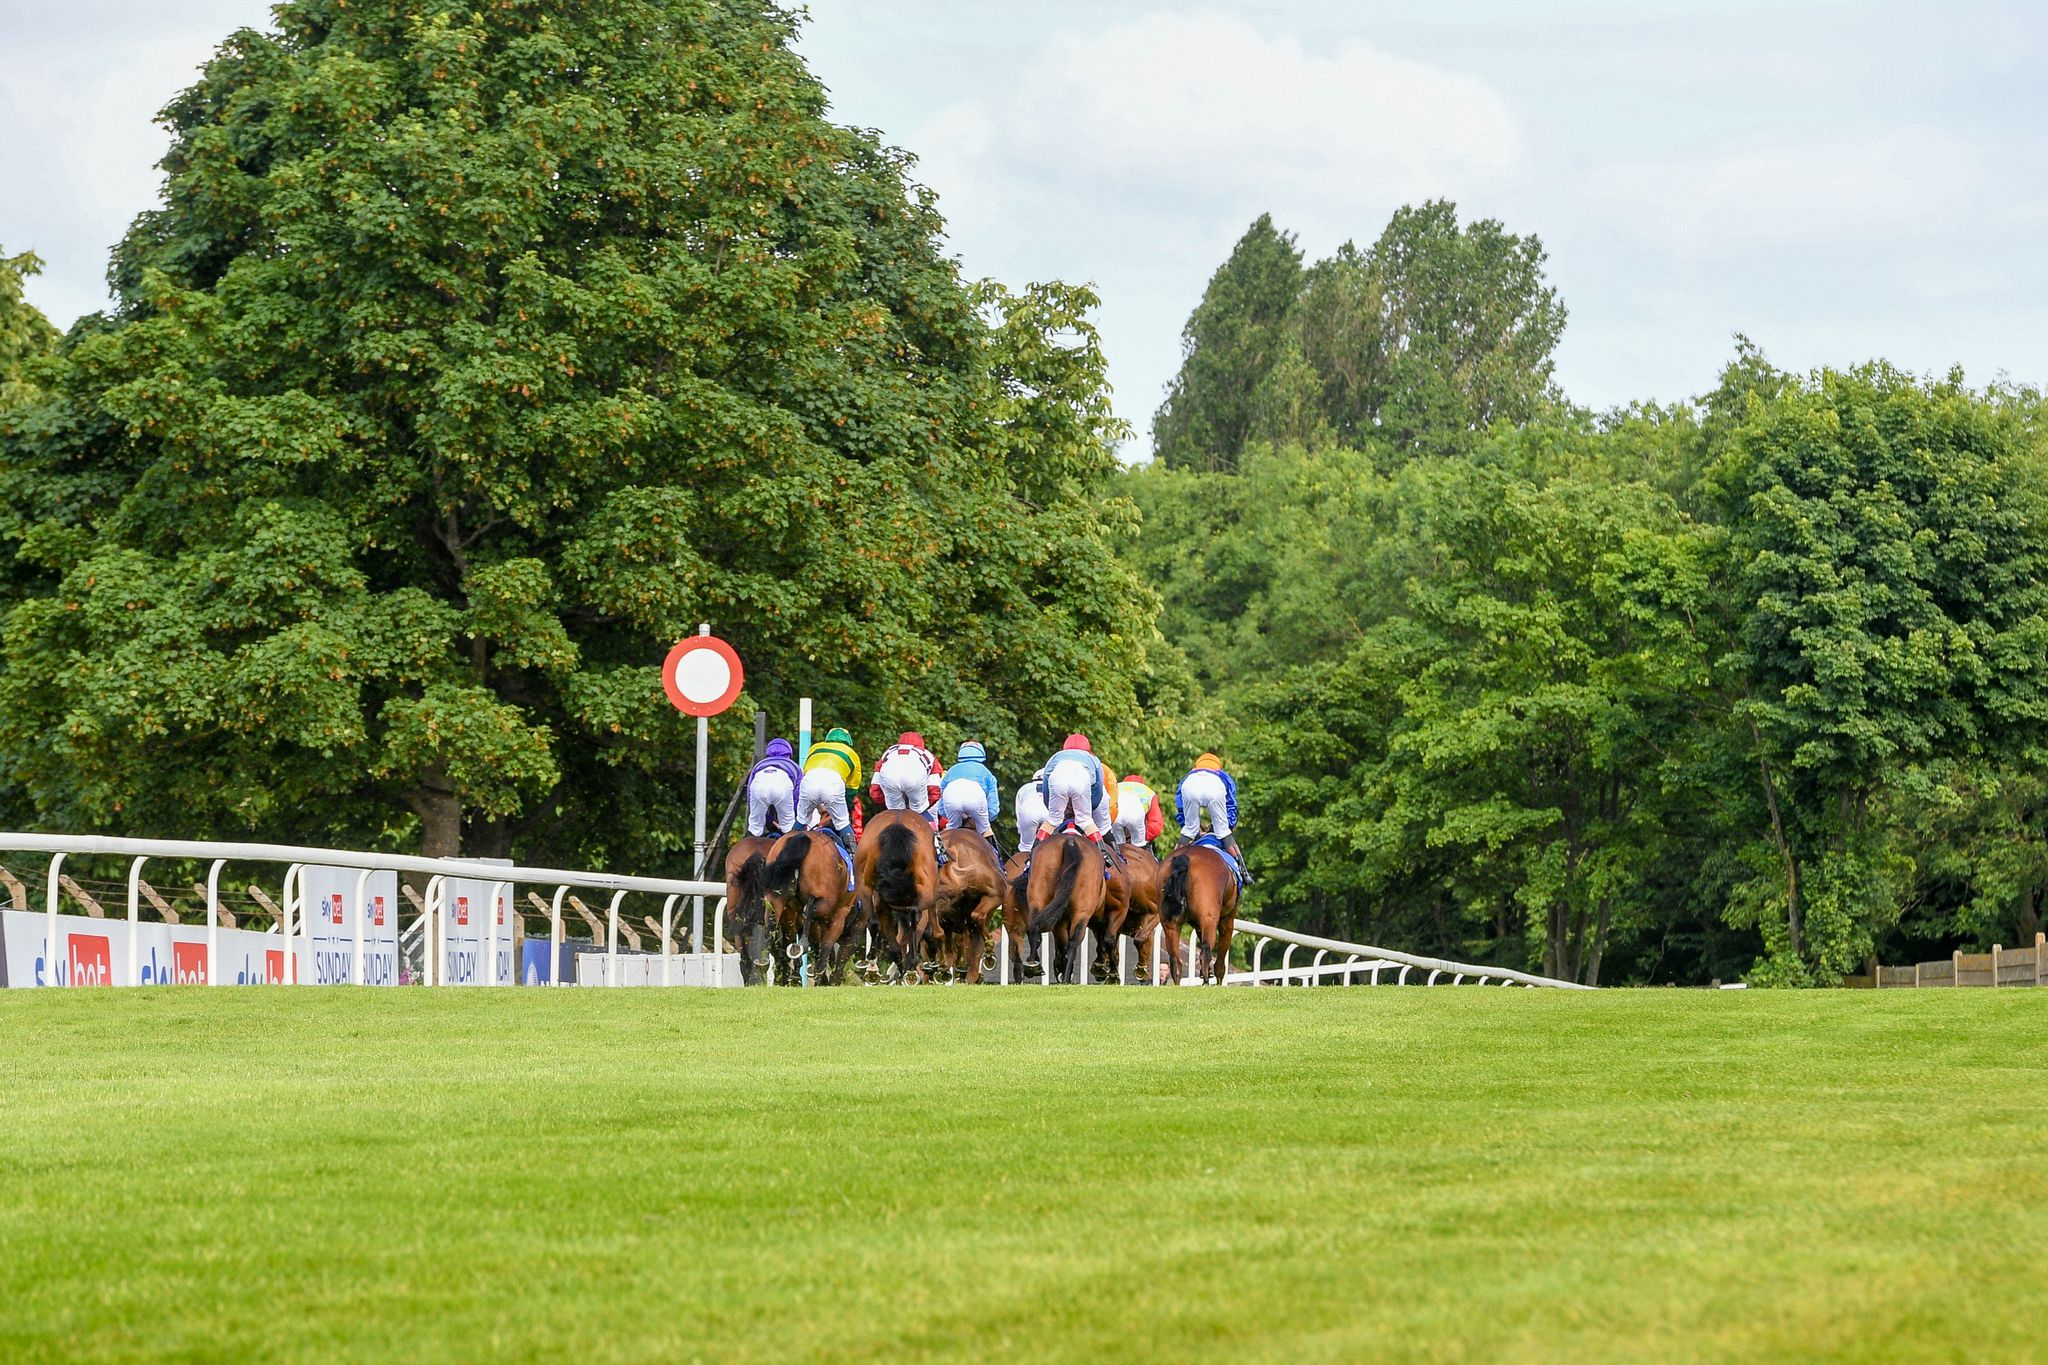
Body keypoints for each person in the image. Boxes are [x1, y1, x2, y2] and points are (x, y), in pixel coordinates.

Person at [1175, 752, 1250, 881]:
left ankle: (1171, 867)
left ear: (1196, 767)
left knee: (1188, 830)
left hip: (1190, 787)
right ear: (1218, 767)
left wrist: (1189, 828)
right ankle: (1243, 872)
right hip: (1215, 788)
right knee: (1223, 832)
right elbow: (1231, 804)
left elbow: (1180, 804)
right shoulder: (1222, 775)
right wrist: (1228, 827)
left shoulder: (1188, 776)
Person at [797, 725, 863, 858]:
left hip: (809, 781)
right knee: (842, 822)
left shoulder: (815, 748)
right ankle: (853, 857)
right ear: (848, 742)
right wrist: (846, 806)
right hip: (833, 784)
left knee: (801, 819)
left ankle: (784, 849)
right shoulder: (852, 754)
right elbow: (851, 790)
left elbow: (805, 771)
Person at [1039, 732, 1108, 846]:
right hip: (1081, 781)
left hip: (1057, 780)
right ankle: (1104, 854)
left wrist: (1051, 808)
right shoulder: (1093, 759)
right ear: (1088, 749)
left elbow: (1046, 785)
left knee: (1052, 820)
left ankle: (1032, 855)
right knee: (1086, 821)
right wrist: (1090, 807)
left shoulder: (1055, 757)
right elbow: (1098, 788)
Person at [938, 740, 1003, 855]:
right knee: (985, 829)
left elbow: (942, 810)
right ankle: (997, 863)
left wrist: (959, 817)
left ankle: (939, 856)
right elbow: (993, 810)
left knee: (950, 829)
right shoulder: (987, 773)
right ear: (981, 755)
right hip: (976, 797)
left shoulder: (951, 771)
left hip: (951, 796)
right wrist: (979, 820)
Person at [870, 731, 943, 816]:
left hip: (890, 777)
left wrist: (887, 802)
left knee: (896, 813)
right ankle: (932, 828)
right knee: (919, 812)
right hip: (915, 778)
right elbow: (934, 789)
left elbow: (875, 790)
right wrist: (924, 806)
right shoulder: (927, 754)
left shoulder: (889, 752)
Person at [745, 738, 802, 838]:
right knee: (789, 828)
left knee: (755, 828)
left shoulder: (759, 765)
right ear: (789, 754)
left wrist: (769, 820)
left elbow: (750, 795)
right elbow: (797, 797)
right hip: (782, 786)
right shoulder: (794, 766)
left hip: (758, 786)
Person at [1112, 773, 1165, 848]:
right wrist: (1145, 838)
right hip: (1135, 817)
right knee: (1140, 848)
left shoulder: (1117, 786)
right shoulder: (1149, 792)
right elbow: (1156, 823)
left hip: (1115, 817)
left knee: (1117, 849)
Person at [1014, 768, 1049, 855]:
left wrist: (1021, 831)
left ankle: (1026, 865)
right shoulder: (1054, 785)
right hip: (1049, 814)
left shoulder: (1024, 788)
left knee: (1026, 848)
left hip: (1029, 813)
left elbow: (1019, 813)